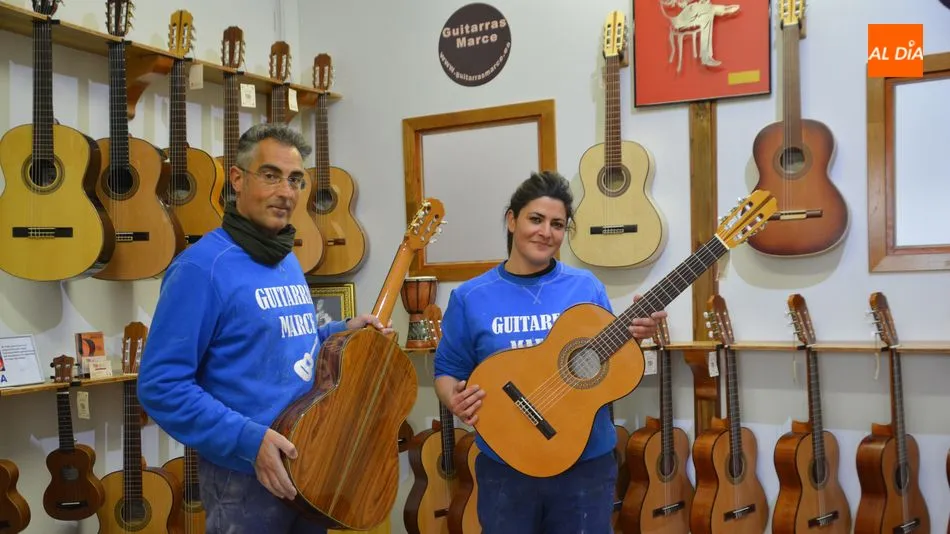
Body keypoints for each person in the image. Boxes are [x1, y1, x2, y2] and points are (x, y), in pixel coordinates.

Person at [137, 123, 391, 534]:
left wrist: (342, 330)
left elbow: (285, 343)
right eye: (271, 175)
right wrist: (249, 441)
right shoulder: (201, 268)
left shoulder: (283, 256)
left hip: (309, 461)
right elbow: (160, 386)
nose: (286, 192)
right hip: (244, 477)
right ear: (237, 179)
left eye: (295, 179)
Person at [433, 171, 666, 534]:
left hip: (584, 465)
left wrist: (635, 336)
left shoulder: (586, 287)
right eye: (536, 219)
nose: (546, 232)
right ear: (512, 220)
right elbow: (447, 370)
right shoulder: (470, 296)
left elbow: (607, 364)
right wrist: (455, 400)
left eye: (557, 224)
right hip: (506, 466)